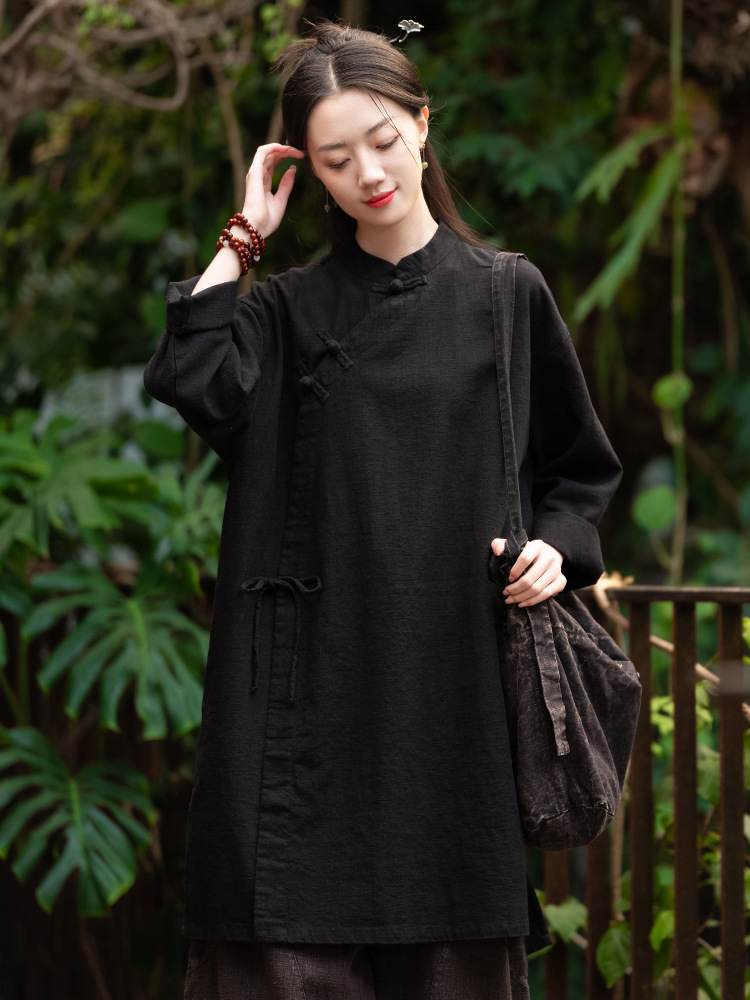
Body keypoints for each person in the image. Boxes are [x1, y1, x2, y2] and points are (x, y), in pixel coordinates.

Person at [144, 20, 622, 1000]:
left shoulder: (506, 296)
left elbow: (580, 474)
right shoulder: (284, 311)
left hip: (452, 719)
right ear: (307, 171)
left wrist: (555, 549)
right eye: (334, 158)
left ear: (422, 124)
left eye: (382, 139)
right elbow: (191, 373)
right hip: (296, 725)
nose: (367, 172)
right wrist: (245, 234)